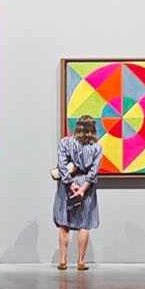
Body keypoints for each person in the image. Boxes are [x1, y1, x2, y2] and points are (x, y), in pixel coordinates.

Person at [54, 115, 103, 270]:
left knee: (64, 224)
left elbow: (61, 165)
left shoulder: (66, 142)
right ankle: (81, 261)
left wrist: (70, 184)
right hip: (86, 187)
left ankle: (63, 260)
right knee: (84, 224)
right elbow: (93, 172)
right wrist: (82, 189)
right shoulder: (97, 148)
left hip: (67, 184)